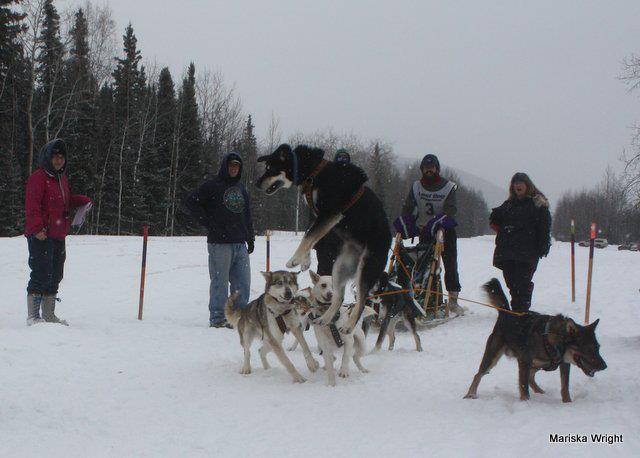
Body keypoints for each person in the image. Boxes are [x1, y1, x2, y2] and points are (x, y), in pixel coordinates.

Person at [24, 138, 92, 326]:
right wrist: (37, 228)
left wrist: (81, 200)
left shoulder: (61, 179)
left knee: (55, 274)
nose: (59, 160)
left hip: (58, 233)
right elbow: (32, 205)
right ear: (48, 157)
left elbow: (64, 202)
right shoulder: (38, 177)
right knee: (41, 272)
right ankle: (33, 316)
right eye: (55, 157)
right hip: (41, 234)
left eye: (62, 157)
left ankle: (48, 315)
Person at [185, 152, 254, 328]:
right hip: (219, 244)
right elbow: (191, 202)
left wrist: (250, 237)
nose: (234, 169)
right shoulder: (212, 186)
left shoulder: (241, 188)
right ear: (225, 166)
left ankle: (237, 317)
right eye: (231, 165)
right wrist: (208, 222)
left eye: (237, 166)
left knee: (243, 283)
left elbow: (247, 215)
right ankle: (218, 318)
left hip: (240, 244)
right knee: (220, 282)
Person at [397, 153, 464, 315]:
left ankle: (453, 299)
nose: (429, 170)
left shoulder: (448, 186)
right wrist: (406, 222)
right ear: (422, 169)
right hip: (424, 231)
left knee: (450, 263)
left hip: (444, 231)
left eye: (432, 167)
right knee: (423, 264)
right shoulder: (416, 187)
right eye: (426, 168)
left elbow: (451, 210)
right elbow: (409, 207)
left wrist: (438, 222)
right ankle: (422, 295)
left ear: (437, 169)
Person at [490, 173, 551, 311]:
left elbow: (544, 227)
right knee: (511, 284)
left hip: (527, 252)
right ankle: (518, 309)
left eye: (520, 182)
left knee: (521, 284)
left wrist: (543, 245)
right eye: (515, 183)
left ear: (527, 185)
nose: (517, 185)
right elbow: (495, 219)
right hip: (507, 252)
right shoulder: (509, 205)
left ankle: (520, 312)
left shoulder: (537, 204)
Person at [313, 149, 350, 275]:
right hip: (325, 237)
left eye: (345, 159)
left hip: (344, 238)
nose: (343, 161)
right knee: (324, 273)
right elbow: (314, 209)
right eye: (340, 158)